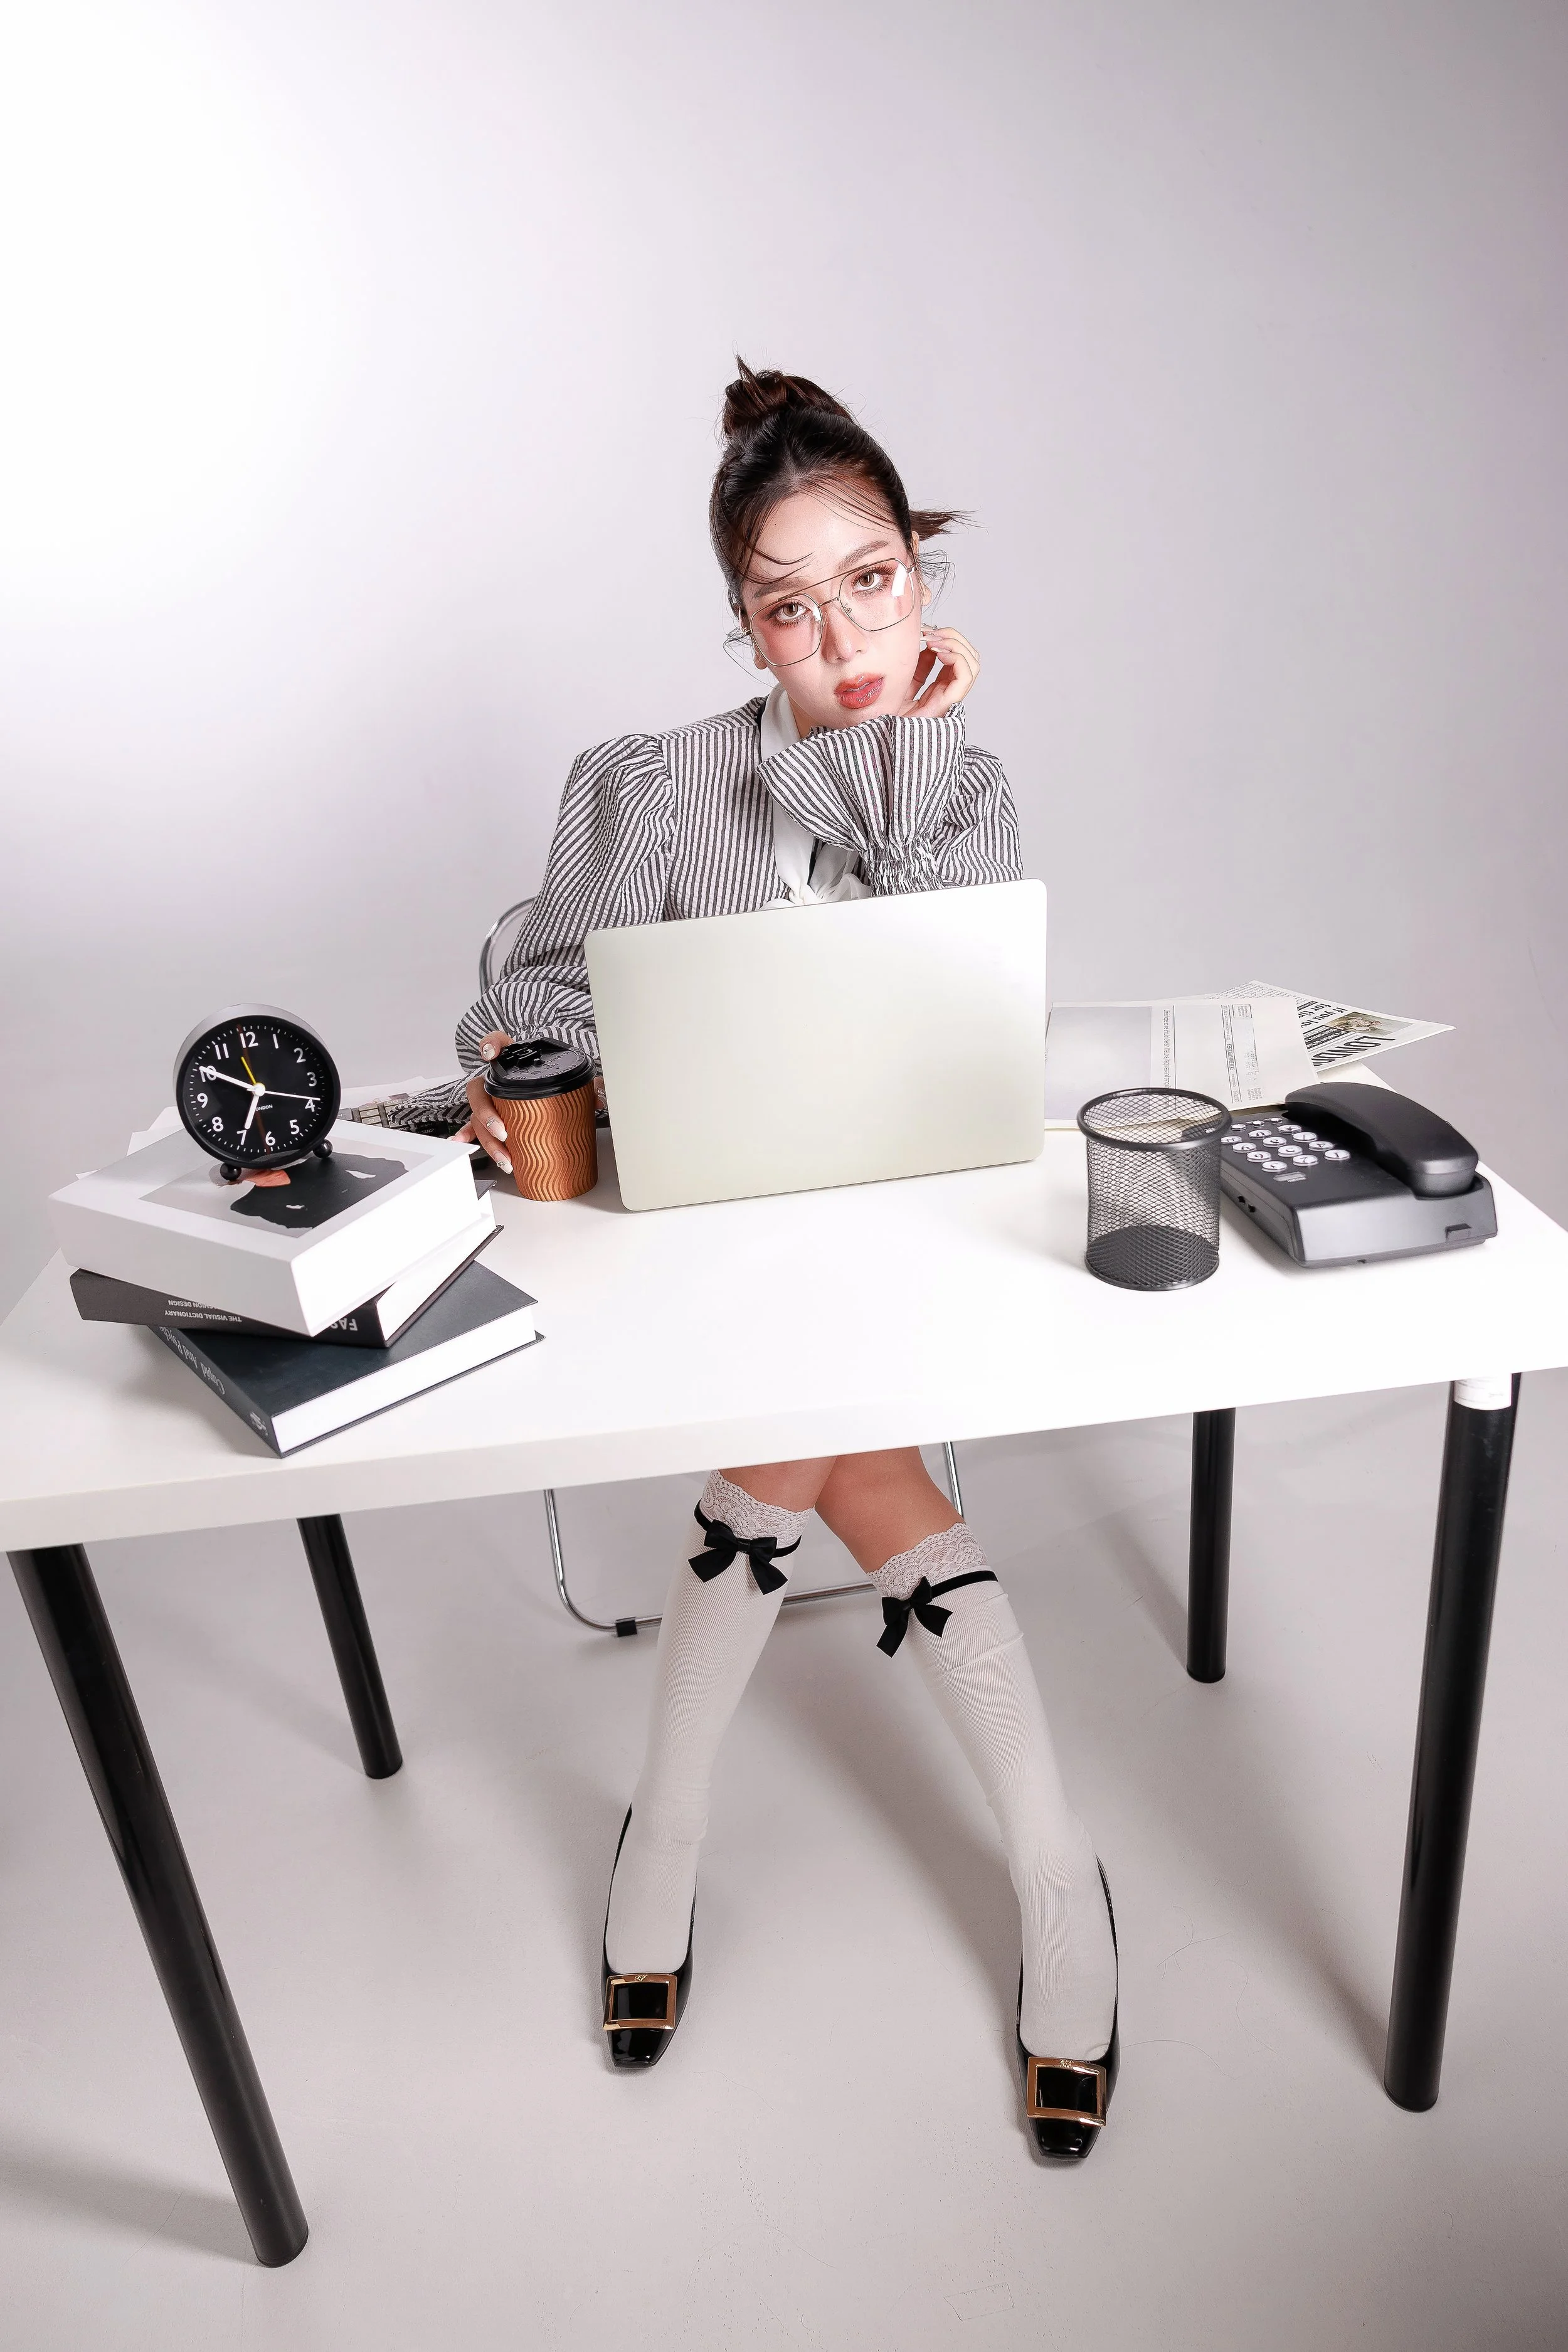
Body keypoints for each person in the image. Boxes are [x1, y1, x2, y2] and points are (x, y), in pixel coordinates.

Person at [449, 363, 1118, 2159]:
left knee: (804, 1433)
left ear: (923, 574)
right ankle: (1052, 1869)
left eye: (871, 581)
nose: (837, 636)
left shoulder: (957, 782)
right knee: (835, 1427)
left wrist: (892, 745)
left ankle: (667, 1825)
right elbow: (531, 985)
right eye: (788, 603)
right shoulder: (650, 786)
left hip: (904, 1229)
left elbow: (975, 1012)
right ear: (744, 623)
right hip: (716, 1242)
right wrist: (523, 1075)